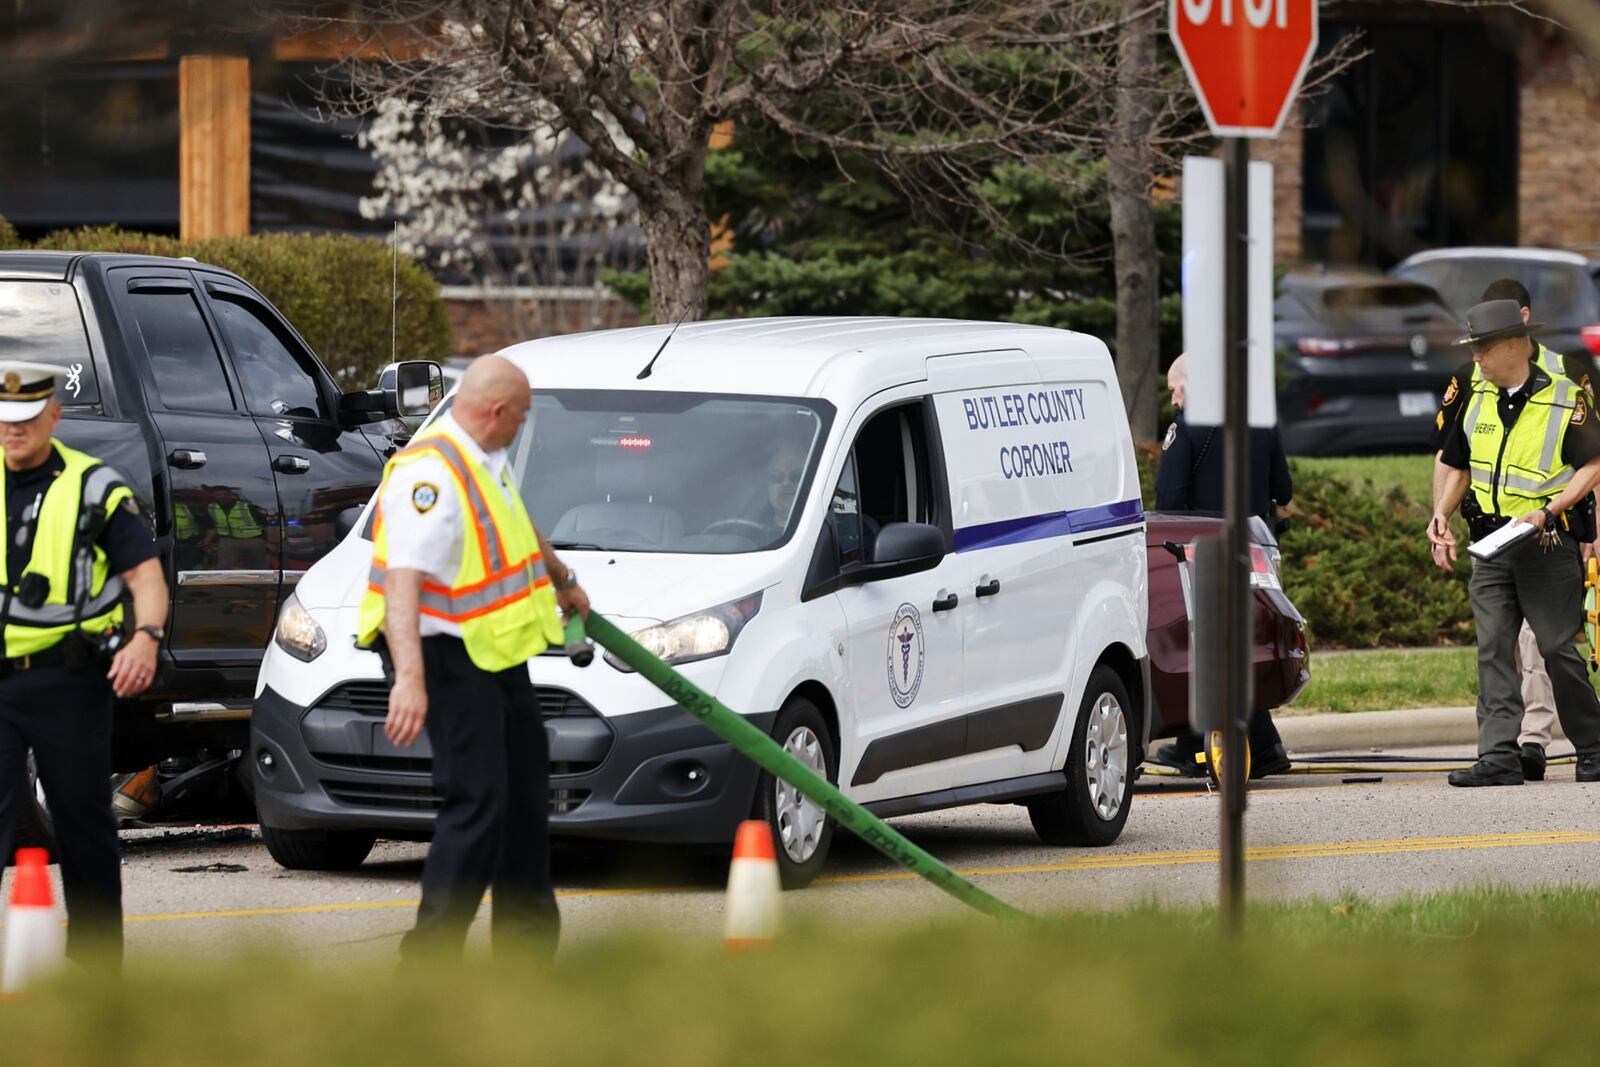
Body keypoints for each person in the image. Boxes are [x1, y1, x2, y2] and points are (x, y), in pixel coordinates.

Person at [358, 355, 589, 959]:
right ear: (496, 412)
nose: (523, 426)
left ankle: (527, 957)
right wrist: (409, 678)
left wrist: (562, 577)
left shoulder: (484, 458)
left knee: (524, 793)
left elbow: (517, 521)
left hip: (490, 654)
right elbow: (403, 580)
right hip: (439, 655)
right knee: (479, 798)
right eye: (522, 416)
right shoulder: (429, 473)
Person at [0, 361, 166, 968]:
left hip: (67, 680)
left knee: (81, 824)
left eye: (24, 420)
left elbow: (146, 576)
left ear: (52, 416)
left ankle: (96, 976)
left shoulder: (94, 487)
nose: (12, 430)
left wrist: (145, 638)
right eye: (4, 419)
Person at [1430, 279, 1599, 781]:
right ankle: (1498, 756)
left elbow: (1592, 464)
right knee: (1494, 647)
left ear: (1511, 344)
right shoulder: (1476, 392)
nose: (1476, 357)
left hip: (1546, 541)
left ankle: (1592, 744)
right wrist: (1440, 512)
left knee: (1557, 648)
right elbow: (1457, 463)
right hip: (1490, 543)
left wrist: (1550, 511)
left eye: (1482, 347)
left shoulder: (1567, 392)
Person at [1153, 354, 1294, 778]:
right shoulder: (1261, 420)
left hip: (1202, 555)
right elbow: (1282, 490)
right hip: (1254, 552)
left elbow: (1170, 503)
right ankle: (1262, 745)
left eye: (1175, 388)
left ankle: (1199, 745)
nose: (1174, 399)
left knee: (1206, 650)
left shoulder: (1186, 429)